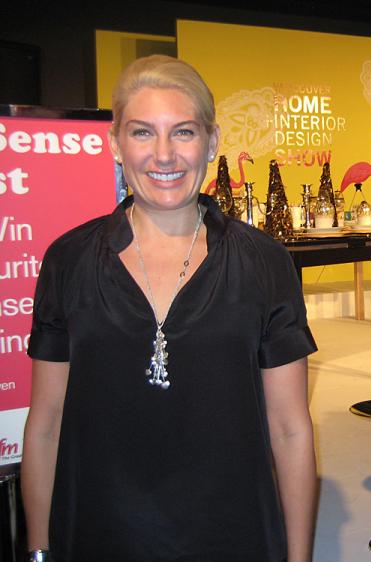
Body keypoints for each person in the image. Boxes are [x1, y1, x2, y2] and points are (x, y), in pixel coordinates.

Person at [21, 55, 318, 562]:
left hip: (233, 536)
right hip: (98, 534)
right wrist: (39, 551)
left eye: (183, 132)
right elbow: (46, 424)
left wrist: (298, 558)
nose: (164, 155)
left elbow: (290, 430)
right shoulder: (68, 260)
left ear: (212, 142)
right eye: (142, 132)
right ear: (115, 144)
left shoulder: (264, 263)